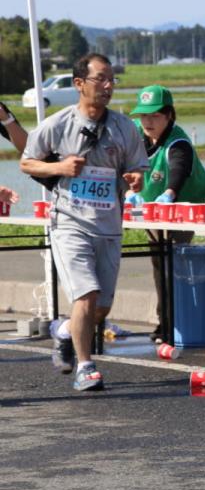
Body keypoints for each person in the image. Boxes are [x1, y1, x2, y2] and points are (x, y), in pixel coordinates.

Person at [20, 54, 147, 391]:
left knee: (100, 308)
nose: (107, 86)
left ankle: (63, 332)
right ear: (79, 84)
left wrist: (135, 178)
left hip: (108, 223)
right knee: (86, 295)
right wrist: (59, 168)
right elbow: (27, 163)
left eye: (111, 80)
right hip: (69, 222)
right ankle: (86, 367)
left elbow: (138, 169)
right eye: (100, 79)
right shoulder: (57, 124)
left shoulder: (124, 127)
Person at [131, 85, 205, 343]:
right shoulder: (138, 136)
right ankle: (165, 323)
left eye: (154, 116)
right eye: (143, 116)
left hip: (184, 205)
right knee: (159, 263)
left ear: (169, 115)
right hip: (152, 207)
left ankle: (177, 323)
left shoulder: (178, 141)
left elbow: (179, 169)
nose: (148, 121)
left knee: (174, 263)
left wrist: (169, 193)